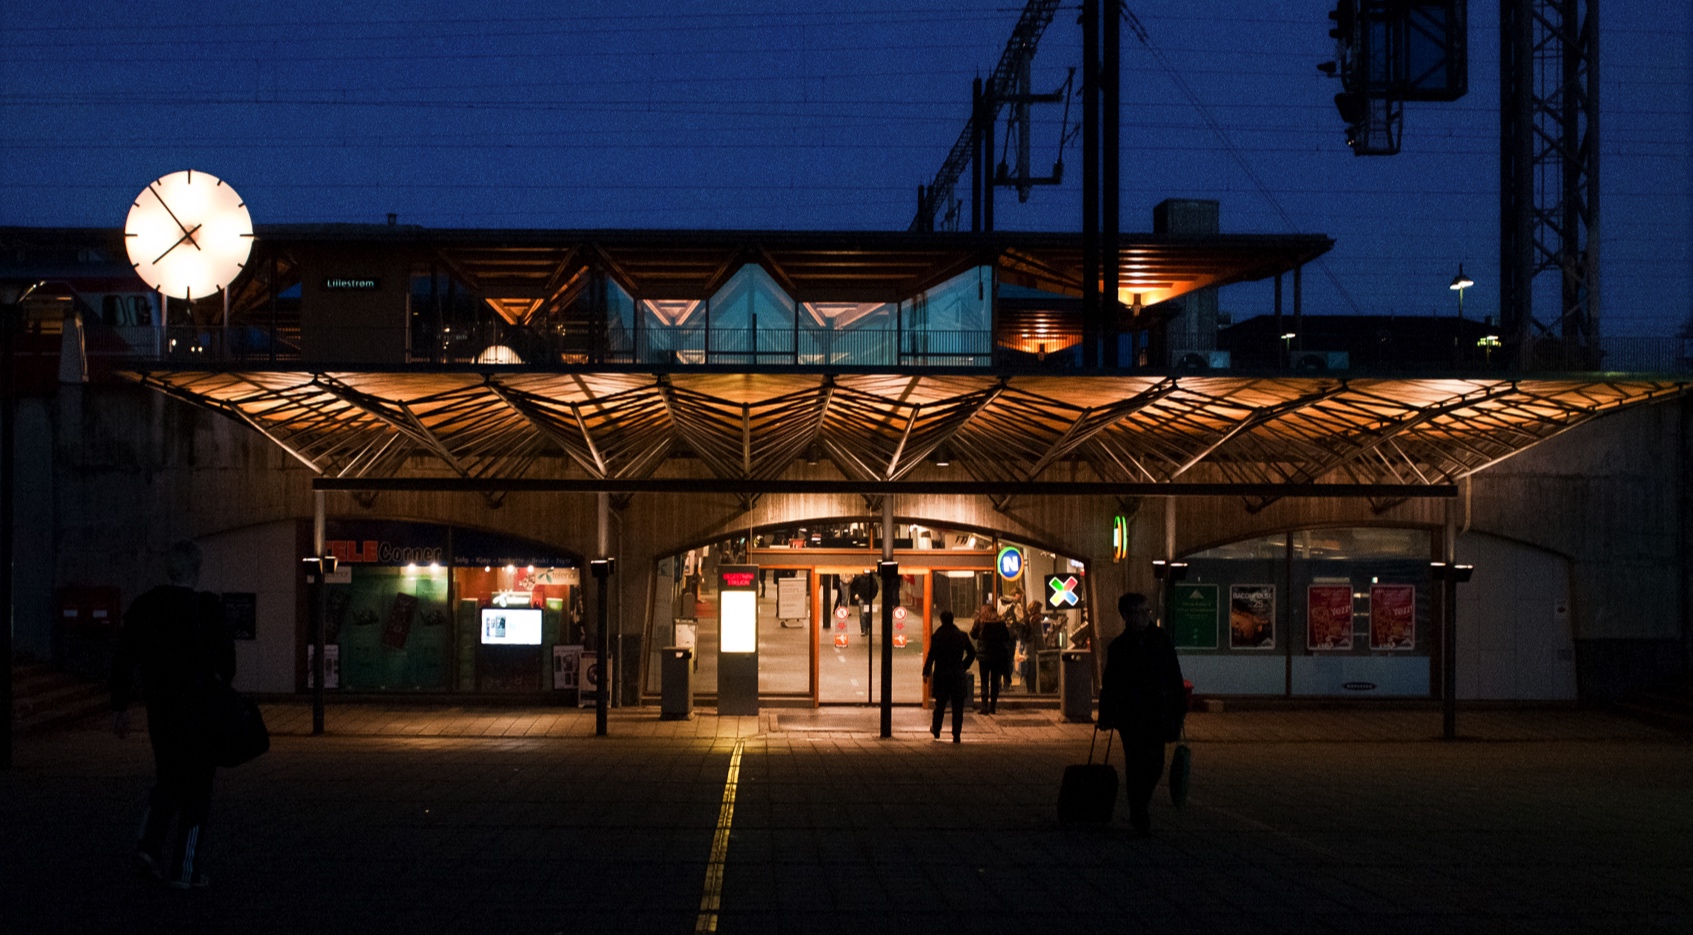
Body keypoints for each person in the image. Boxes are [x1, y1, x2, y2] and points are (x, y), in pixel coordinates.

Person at [109, 539, 234, 889]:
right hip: (199, 712)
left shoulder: (145, 607)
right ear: (196, 569)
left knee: (168, 778)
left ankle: (148, 846)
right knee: (197, 791)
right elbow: (228, 664)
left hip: (161, 712)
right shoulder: (207, 609)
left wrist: (119, 707)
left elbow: (122, 659)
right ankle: (186, 868)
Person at [1096, 591, 1186, 834]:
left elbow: (1174, 677)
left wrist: (1178, 709)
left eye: (1146, 612)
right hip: (1131, 714)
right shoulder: (1119, 647)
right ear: (1126, 616)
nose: (1144, 617)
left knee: (1156, 764)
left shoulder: (1160, 641)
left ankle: (1140, 803)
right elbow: (1111, 682)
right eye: (1138, 612)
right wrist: (1106, 714)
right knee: (1135, 763)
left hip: (1157, 711)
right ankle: (1138, 809)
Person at [922, 610, 976, 743]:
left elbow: (931, 655)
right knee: (958, 706)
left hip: (942, 675)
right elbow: (972, 653)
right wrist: (963, 666)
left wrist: (926, 672)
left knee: (940, 705)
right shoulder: (961, 635)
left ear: (941, 620)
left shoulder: (937, 636)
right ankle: (956, 734)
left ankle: (936, 729)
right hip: (957, 674)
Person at [970, 605, 1014, 714]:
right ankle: (993, 707)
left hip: (984, 657)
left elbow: (973, 635)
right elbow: (1006, 637)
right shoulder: (1000, 623)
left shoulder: (980, 622)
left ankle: (984, 707)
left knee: (984, 681)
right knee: (995, 681)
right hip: (997, 656)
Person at [849, 570, 879, 638]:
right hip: (861, 598)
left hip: (868, 599)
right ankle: (863, 630)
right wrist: (855, 594)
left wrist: (872, 596)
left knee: (868, 614)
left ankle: (867, 628)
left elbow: (875, 588)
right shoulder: (858, 578)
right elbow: (853, 587)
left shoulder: (872, 579)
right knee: (862, 614)